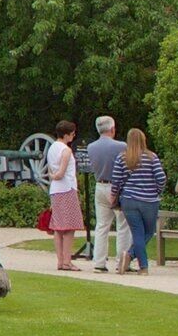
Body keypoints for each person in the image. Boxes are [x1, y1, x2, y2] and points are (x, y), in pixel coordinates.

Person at [116, 127, 168, 273]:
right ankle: (141, 264)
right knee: (148, 231)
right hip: (149, 200)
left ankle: (133, 256)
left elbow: (117, 181)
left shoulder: (122, 158)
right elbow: (161, 178)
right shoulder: (151, 157)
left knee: (137, 232)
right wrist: (157, 190)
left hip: (129, 199)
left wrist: (115, 197)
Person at [81, 115, 125, 270]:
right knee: (123, 225)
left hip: (100, 185)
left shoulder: (91, 147)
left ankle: (99, 262)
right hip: (117, 187)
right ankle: (122, 262)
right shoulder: (121, 146)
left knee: (102, 226)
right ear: (112, 129)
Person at [39, 121, 80, 256]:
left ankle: (60, 260)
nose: (73, 137)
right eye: (72, 134)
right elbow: (61, 173)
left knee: (58, 227)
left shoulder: (52, 148)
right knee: (69, 227)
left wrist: (52, 175)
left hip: (55, 190)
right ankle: (67, 260)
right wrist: (55, 175)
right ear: (67, 135)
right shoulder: (66, 150)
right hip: (67, 188)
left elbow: (52, 170)